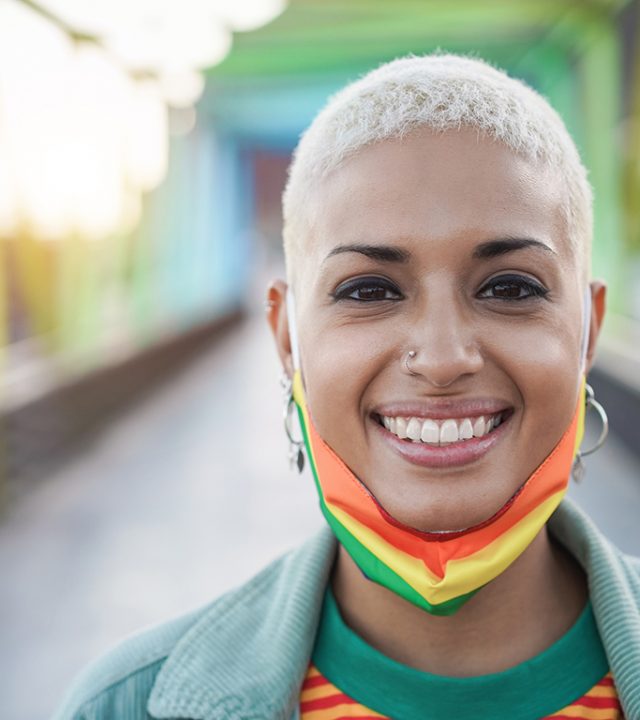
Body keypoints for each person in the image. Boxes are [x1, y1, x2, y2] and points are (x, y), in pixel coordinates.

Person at [53, 54, 640, 720]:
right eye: (369, 290)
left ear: (588, 329)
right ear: (286, 339)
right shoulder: (123, 705)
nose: (443, 359)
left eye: (510, 288)